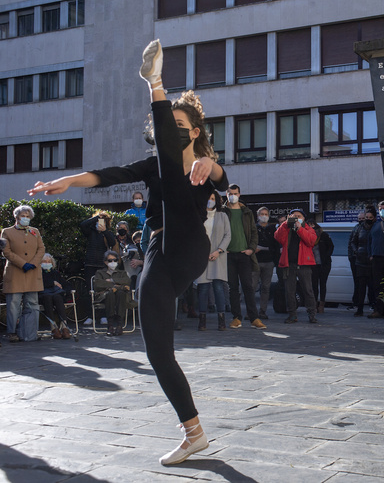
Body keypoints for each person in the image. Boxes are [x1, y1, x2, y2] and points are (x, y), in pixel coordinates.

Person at [29, 39, 229, 465]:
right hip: (160, 249)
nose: (170, 131)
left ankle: (154, 82)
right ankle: (192, 430)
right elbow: (109, 174)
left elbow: (221, 179)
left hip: (189, 241)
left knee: (177, 182)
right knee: (157, 348)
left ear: (194, 131)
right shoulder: (155, 165)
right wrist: (68, 180)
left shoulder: (202, 163)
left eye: (179, 123)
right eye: (165, 123)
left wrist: (208, 165)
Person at [224, 184, 265, 329]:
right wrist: (222, 249)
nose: (232, 196)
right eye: (230, 193)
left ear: (239, 194)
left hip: (244, 255)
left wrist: (251, 249)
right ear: (226, 194)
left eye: (235, 193)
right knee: (233, 288)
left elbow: (254, 233)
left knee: (248, 286)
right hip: (228, 255)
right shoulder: (223, 211)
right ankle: (236, 318)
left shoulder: (246, 212)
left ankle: (254, 318)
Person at [1, 205, 44, 342]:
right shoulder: (7, 232)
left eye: (27, 216)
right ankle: (12, 332)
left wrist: (33, 263)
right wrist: (22, 263)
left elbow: (41, 249)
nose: (25, 218)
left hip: (32, 272)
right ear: (17, 217)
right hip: (15, 272)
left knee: (32, 303)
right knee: (13, 303)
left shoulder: (35, 231)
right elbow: (6, 251)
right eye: (23, 216)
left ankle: (30, 332)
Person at [274, 209, 318, 324]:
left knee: (308, 290)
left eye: (299, 216)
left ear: (304, 218)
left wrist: (300, 228)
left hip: (304, 264)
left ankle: (312, 314)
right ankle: (292, 315)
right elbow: (278, 237)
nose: (296, 218)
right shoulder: (287, 228)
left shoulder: (308, 229)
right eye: (294, 216)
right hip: (290, 264)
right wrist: (285, 224)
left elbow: (311, 241)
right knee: (290, 291)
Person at [196, 191, 231, 331]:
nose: (209, 201)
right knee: (203, 288)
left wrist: (219, 250)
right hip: (202, 256)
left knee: (218, 287)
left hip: (218, 256)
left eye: (212, 198)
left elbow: (228, 235)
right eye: (207, 198)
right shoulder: (198, 215)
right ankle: (202, 320)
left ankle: (221, 320)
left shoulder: (222, 216)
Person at [93, 250, 132, 337]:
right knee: (110, 293)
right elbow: (98, 284)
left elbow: (127, 281)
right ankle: (110, 325)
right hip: (104, 296)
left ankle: (119, 325)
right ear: (105, 262)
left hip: (120, 296)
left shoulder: (122, 273)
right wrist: (118, 285)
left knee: (121, 293)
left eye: (115, 260)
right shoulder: (100, 272)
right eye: (110, 260)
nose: (113, 262)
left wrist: (111, 281)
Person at [80, 211, 119, 296]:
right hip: (90, 263)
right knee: (90, 288)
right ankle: (91, 306)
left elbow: (112, 242)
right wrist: (96, 217)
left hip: (102, 265)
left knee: (103, 288)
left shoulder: (108, 233)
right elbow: (83, 225)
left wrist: (104, 231)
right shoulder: (91, 232)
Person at [251, 206, 278, 320]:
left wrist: (263, 248)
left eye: (266, 214)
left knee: (266, 288)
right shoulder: (253, 228)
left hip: (269, 262)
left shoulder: (273, 229)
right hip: (255, 261)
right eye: (262, 214)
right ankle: (251, 311)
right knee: (252, 287)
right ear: (258, 216)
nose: (264, 216)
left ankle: (263, 311)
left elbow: (275, 245)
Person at [367, 201, 384, 318]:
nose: (382, 210)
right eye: (380, 208)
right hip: (376, 259)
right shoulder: (376, 225)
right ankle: (379, 310)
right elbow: (369, 241)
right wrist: (370, 254)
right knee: (378, 286)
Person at [38, 253, 73, 339]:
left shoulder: (55, 273)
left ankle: (64, 326)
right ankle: (54, 327)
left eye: (49, 261)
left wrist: (65, 290)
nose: (47, 263)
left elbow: (66, 284)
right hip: (44, 295)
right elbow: (39, 285)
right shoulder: (38, 273)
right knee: (48, 298)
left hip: (56, 295)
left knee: (57, 297)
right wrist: (52, 283)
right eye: (44, 261)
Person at [352, 209, 376, 317]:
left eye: (370, 218)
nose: (368, 219)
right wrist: (356, 251)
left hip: (372, 261)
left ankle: (374, 307)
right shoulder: (359, 228)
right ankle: (359, 308)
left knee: (373, 286)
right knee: (361, 286)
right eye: (367, 217)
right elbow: (353, 242)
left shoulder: (376, 227)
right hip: (361, 260)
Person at [307, 217, 334, 313]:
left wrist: (326, 257)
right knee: (314, 284)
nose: (311, 227)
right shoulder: (307, 236)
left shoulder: (323, 235)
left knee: (322, 284)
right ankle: (314, 304)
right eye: (308, 225)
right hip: (313, 264)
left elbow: (331, 247)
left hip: (324, 264)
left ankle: (321, 305)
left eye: (312, 225)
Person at [348, 211, 365, 306]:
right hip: (355, 258)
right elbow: (350, 243)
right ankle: (356, 301)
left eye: (363, 219)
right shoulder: (355, 228)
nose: (361, 220)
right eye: (359, 219)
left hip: (365, 258)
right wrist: (351, 256)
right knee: (357, 281)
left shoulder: (368, 228)